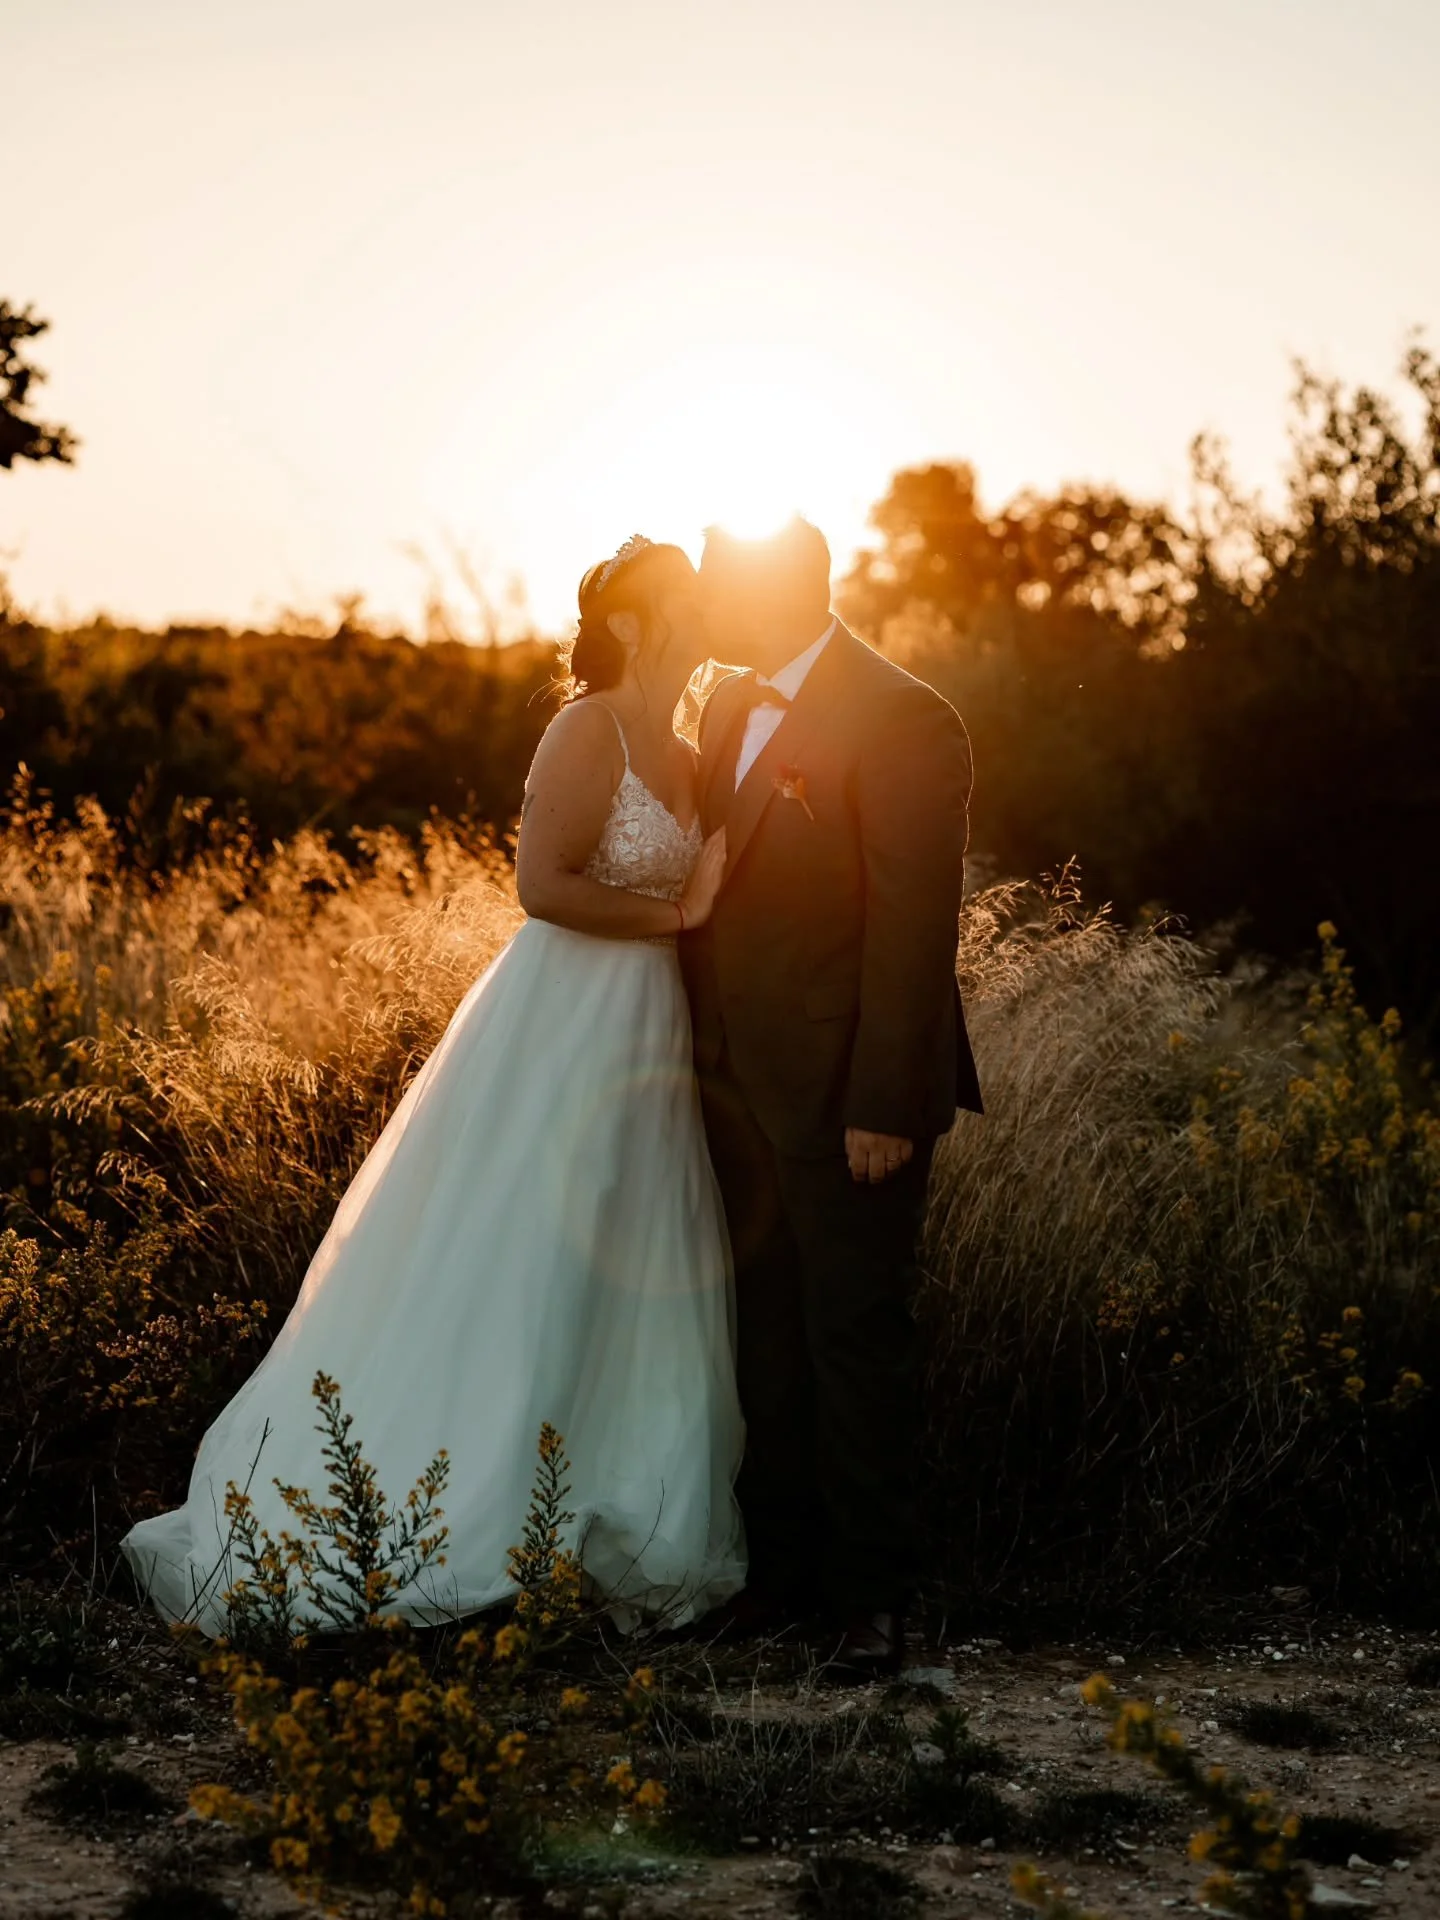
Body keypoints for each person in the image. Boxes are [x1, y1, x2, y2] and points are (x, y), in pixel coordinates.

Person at [121, 536, 746, 1635]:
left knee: (638, 1249)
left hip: (651, 1030)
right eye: (682, 600)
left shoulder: (694, 746)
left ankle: (611, 1509)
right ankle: (469, 1512)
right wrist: (676, 917)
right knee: (525, 1250)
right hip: (562, 1020)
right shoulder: (586, 726)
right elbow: (541, 886)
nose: (702, 611)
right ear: (638, 625)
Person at [682, 517, 981, 1677]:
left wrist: (885, 1101)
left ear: (781, 590)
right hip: (729, 1085)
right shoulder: (722, 706)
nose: (707, 609)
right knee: (765, 1335)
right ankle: (781, 1584)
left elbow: (913, 928)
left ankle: (878, 1606)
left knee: (855, 1336)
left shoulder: (905, 716)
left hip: (845, 1092)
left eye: (722, 588)